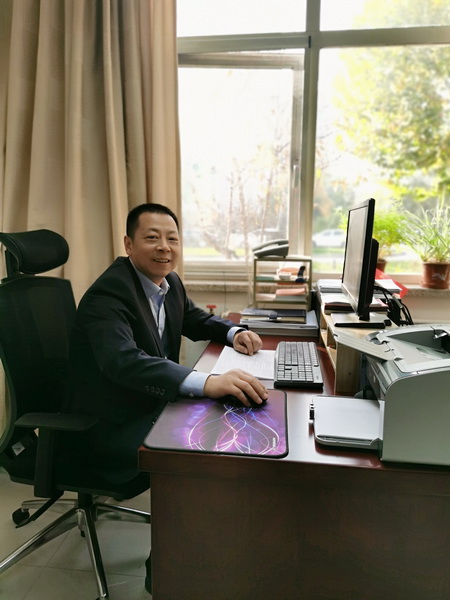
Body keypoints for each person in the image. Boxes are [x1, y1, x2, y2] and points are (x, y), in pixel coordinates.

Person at [68, 203, 268, 484]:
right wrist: (208, 382)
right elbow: (122, 360)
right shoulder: (109, 293)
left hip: (149, 402)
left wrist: (233, 332)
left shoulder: (168, 281)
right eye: (152, 237)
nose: (164, 246)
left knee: (231, 423)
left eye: (172, 239)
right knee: (212, 445)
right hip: (111, 422)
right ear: (128, 244)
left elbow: (193, 318)